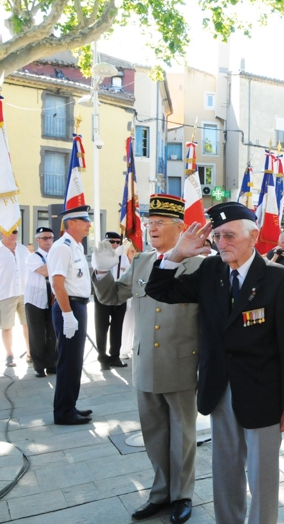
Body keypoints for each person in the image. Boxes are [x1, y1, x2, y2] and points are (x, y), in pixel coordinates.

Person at [145, 202, 284, 524]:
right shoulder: (210, 271)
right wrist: (177, 253)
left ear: (254, 236)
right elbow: (159, 289)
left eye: (229, 235)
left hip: (263, 394)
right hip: (220, 389)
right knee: (226, 472)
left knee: (262, 477)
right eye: (217, 236)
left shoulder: (278, 279)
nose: (222, 243)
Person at [93, 195, 201, 524]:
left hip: (181, 362)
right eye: (148, 223)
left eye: (159, 223)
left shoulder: (199, 264)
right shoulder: (141, 261)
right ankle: (160, 493)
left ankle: (182, 496)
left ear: (181, 228)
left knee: (182, 435)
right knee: (153, 433)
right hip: (144, 363)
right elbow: (111, 297)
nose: (151, 228)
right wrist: (101, 270)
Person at [49, 205, 94, 425]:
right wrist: (67, 315)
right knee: (68, 361)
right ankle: (63, 412)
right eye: (84, 220)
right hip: (69, 306)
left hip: (78, 306)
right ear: (71, 223)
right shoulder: (62, 247)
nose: (89, 224)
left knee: (75, 361)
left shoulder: (75, 246)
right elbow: (57, 284)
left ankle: (70, 405)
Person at [0, 228, 31, 367]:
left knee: (28, 325)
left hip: (24, 292)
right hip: (3, 294)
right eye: (9, 231)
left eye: (15, 232)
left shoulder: (24, 250)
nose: (13, 235)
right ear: (1, 233)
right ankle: (9, 354)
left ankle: (30, 352)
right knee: (6, 327)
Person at [92, 231, 130, 371]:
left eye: (117, 242)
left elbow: (126, 273)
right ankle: (102, 358)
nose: (114, 244)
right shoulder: (100, 255)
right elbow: (98, 269)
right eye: (111, 242)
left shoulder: (123, 257)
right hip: (103, 295)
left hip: (119, 294)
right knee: (101, 328)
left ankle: (115, 356)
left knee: (117, 327)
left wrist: (120, 256)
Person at [25, 227, 58, 378]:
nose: (49, 241)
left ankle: (52, 364)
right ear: (38, 240)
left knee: (52, 333)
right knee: (37, 334)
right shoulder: (33, 257)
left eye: (51, 238)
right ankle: (39, 367)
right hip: (35, 301)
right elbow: (45, 271)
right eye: (45, 238)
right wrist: (59, 259)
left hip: (52, 299)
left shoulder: (55, 255)